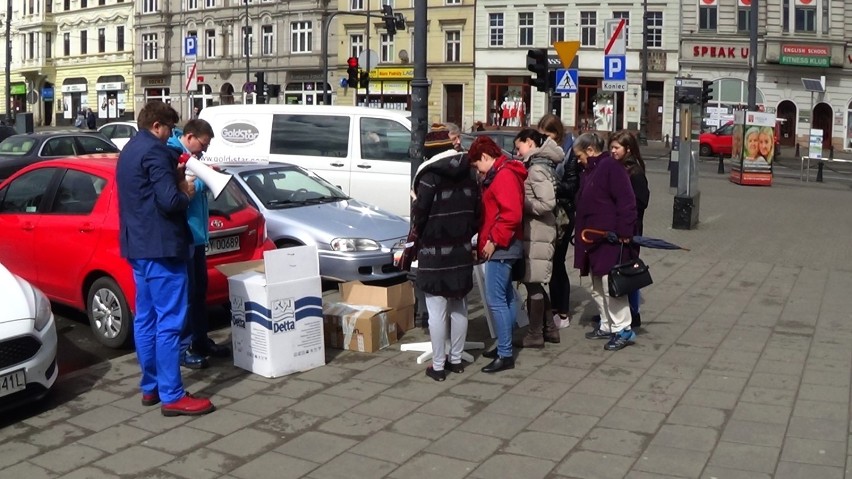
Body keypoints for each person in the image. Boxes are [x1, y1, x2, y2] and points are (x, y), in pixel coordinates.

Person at [116, 102, 215, 416]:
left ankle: (151, 387)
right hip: (162, 248)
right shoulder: (156, 152)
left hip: (137, 246)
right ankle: (172, 395)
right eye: (169, 129)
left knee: (145, 320)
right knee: (170, 323)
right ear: (157, 125)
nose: (170, 134)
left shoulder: (128, 150)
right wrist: (185, 188)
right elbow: (171, 201)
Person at [411, 126, 480, 381]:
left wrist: (415, 200)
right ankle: (457, 359)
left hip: (435, 249)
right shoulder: (470, 172)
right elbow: (477, 211)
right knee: (459, 304)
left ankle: (438, 366)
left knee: (437, 308)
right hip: (461, 248)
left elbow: (420, 214)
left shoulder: (429, 175)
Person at [166, 120, 232, 370]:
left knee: (198, 293)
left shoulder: (189, 155)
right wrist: (207, 178)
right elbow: (187, 187)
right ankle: (184, 349)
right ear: (190, 137)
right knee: (186, 294)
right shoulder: (175, 153)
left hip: (197, 236)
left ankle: (200, 340)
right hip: (186, 235)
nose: (202, 151)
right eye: (202, 145)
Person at [573, 132, 637, 352]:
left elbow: (627, 201)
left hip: (609, 238)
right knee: (596, 286)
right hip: (592, 239)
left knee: (612, 287)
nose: (578, 160)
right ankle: (607, 324)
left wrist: (624, 232)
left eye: (579, 156)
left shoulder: (610, 167)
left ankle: (623, 329)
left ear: (590, 150)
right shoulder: (590, 170)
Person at [468, 135, 527, 373]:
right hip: (506, 244)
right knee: (506, 297)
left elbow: (511, 215)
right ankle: (505, 345)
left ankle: (505, 353)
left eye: (477, 165)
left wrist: (493, 240)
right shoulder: (502, 172)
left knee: (496, 300)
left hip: (502, 246)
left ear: (485, 157)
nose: (477, 171)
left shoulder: (503, 176)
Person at [512, 128, 561, 348]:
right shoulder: (541, 164)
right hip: (538, 231)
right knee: (535, 282)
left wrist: (521, 204)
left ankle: (535, 334)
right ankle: (549, 329)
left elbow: (547, 203)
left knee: (533, 282)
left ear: (530, 142)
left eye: (519, 146)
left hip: (538, 231)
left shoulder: (536, 168)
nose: (517, 151)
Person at [537, 114, 579, 329]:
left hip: (563, 213)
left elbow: (573, 186)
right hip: (547, 211)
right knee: (546, 262)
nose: (545, 140)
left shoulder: (570, 152)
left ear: (558, 133)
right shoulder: (540, 152)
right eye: (542, 136)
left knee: (557, 262)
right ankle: (549, 307)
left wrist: (551, 185)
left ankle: (562, 310)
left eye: (549, 135)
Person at [609, 130, 649, 329]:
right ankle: (617, 311)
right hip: (618, 228)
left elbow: (642, 201)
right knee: (617, 268)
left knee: (628, 270)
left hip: (630, 229)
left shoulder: (634, 172)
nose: (612, 151)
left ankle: (633, 313)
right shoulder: (616, 168)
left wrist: (624, 209)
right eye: (611, 147)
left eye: (616, 148)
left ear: (628, 149)